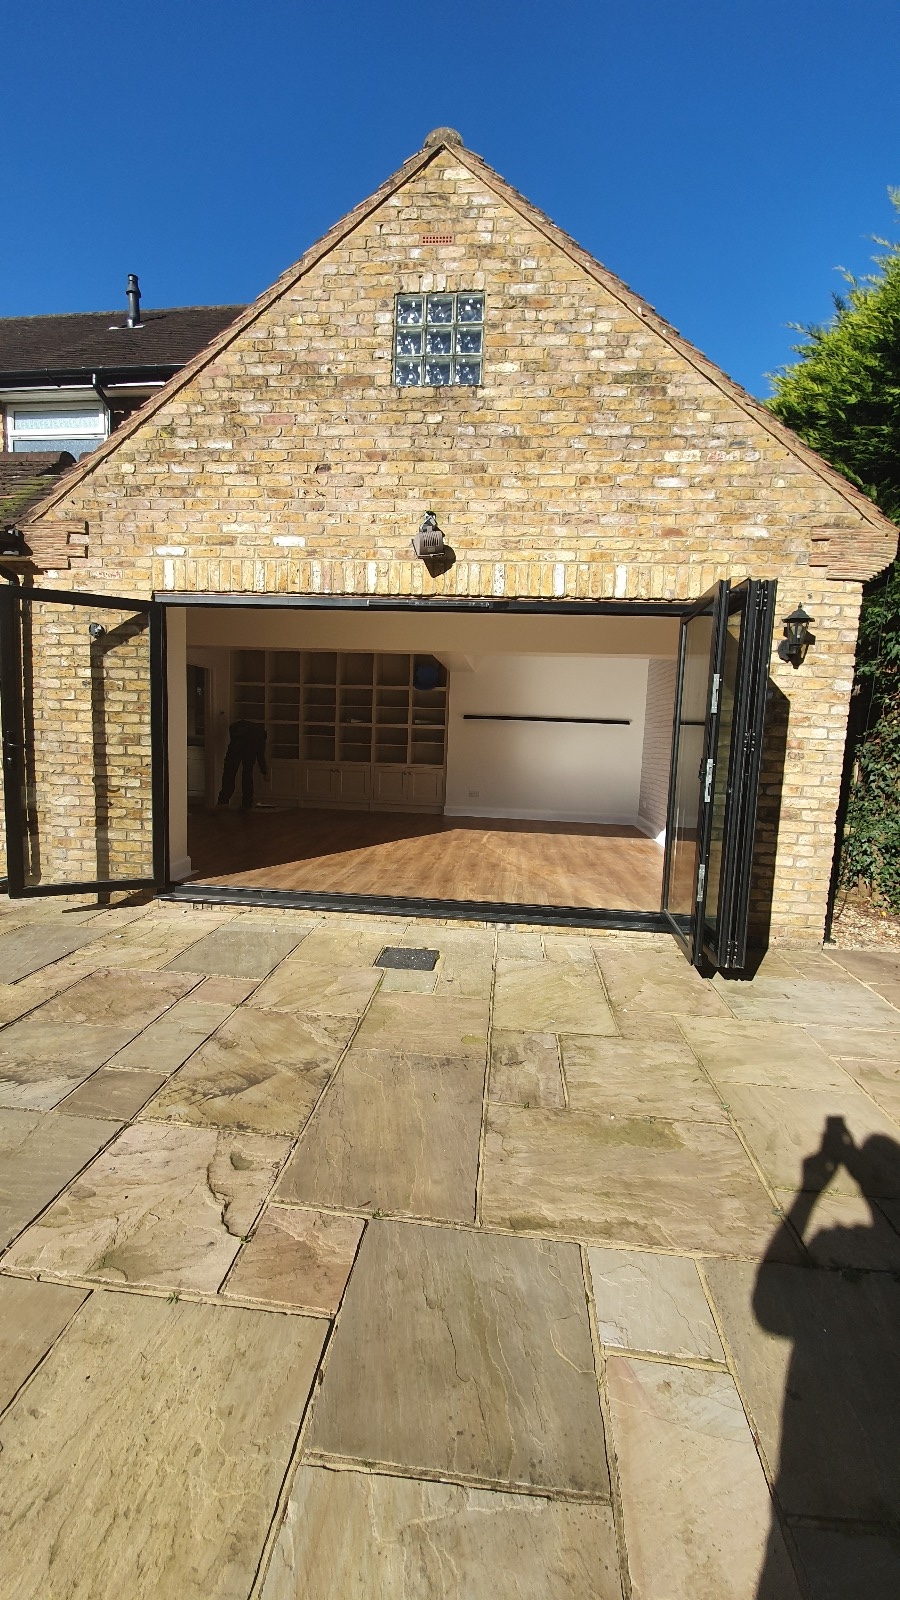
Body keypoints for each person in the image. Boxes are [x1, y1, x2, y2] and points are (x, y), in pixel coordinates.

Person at [217, 719, 269, 809]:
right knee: (247, 774)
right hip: (250, 748)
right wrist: (264, 772)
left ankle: (223, 801)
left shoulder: (238, 726)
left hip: (236, 746)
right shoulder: (260, 736)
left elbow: (232, 729)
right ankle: (247, 803)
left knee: (229, 773)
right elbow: (260, 756)